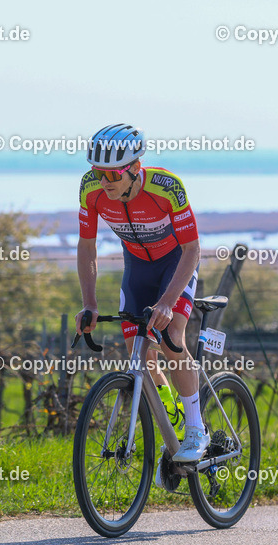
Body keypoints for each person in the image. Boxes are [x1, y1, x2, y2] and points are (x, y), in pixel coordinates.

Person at [74, 123, 210, 489]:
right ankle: (173, 413)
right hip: (137, 268)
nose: (103, 180)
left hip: (175, 264)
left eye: (112, 174)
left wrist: (168, 302)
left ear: (135, 167)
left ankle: (196, 430)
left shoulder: (167, 187)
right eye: (97, 172)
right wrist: (89, 303)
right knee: (139, 354)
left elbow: (192, 249)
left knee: (171, 338)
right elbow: (87, 247)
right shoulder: (90, 189)